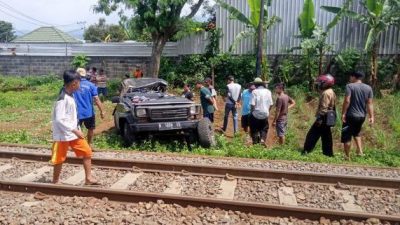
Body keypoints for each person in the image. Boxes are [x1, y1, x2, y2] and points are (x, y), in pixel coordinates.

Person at [51, 70, 98, 185]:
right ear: (74, 84)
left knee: (87, 152)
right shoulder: (62, 99)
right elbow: (59, 119)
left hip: (73, 133)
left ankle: (88, 178)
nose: (80, 85)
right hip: (62, 135)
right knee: (59, 158)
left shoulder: (70, 94)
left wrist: (76, 130)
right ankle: (55, 181)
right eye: (79, 83)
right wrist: (74, 130)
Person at [341, 71, 374, 160]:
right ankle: (360, 151)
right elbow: (369, 103)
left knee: (346, 135)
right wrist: (371, 116)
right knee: (357, 132)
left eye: (350, 77)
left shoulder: (349, 86)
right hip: (361, 116)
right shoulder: (368, 88)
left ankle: (347, 156)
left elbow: (347, 100)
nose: (349, 79)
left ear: (353, 77)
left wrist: (343, 113)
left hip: (350, 115)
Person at [303, 74, 336, 157]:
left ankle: (306, 151)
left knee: (312, 134)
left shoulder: (325, 93)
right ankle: (328, 154)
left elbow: (324, 107)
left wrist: (319, 118)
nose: (320, 84)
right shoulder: (331, 91)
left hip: (323, 116)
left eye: (321, 83)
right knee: (326, 136)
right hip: (328, 116)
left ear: (325, 83)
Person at [74, 68, 105, 147]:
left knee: (76, 130)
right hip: (89, 113)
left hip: (76, 113)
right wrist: (102, 111)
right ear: (85, 75)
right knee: (90, 129)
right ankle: (89, 144)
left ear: (77, 75)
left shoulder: (73, 85)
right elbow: (97, 99)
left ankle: (78, 145)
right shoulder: (91, 85)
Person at [250, 77, 273, 145]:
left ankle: (255, 142)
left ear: (256, 85)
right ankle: (262, 139)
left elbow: (252, 104)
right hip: (265, 114)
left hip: (256, 114)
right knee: (264, 128)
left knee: (254, 128)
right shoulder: (268, 91)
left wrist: (252, 112)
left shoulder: (254, 92)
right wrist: (267, 111)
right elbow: (271, 104)